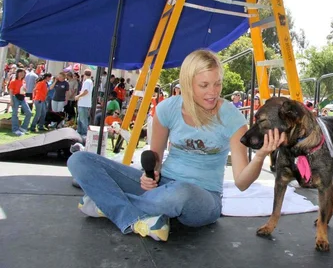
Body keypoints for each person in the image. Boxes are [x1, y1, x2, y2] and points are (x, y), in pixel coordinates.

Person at [67, 49, 283, 241]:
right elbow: (156, 158)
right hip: (163, 187)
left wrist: (261, 155)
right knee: (79, 160)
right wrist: (150, 175)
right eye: (204, 85)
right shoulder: (167, 109)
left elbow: (242, 183)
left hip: (202, 198)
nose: (213, 92)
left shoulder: (233, 118)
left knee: (181, 192)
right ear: (188, 84)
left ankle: (107, 203)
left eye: (217, 83)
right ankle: (135, 216)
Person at [8, 68, 33, 136]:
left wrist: (25, 89)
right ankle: (15, 129)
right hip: (15, 97)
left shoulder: (23, 81)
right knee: (15, 114)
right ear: (17, 73)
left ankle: (23, 128)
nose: (22, 74)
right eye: (20, 72)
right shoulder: (13, 81)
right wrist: (11, 100)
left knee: (29, 113)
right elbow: (11, 91)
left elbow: (24, 89)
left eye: (23, 73)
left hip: (22, 97)